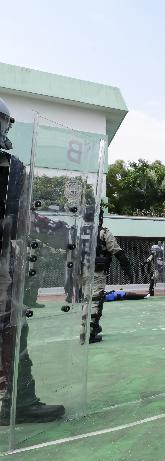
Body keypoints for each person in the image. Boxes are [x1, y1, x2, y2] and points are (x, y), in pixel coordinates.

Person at [0, 96, 65, 423]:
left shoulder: (12, 169)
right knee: (9, 328)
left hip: (6, 259)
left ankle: (20, 398)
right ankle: (18, 399)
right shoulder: (11, 169)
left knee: (12, 327)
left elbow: (22, 216)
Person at [89, 209, 134, 343]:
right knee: (96, 299)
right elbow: (117, 252)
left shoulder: (78, 232)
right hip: (97, 272)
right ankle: (90, 332)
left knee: (85, 300)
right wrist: (127, 269)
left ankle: (92, 327)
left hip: (80, 271)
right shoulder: (103, 232)